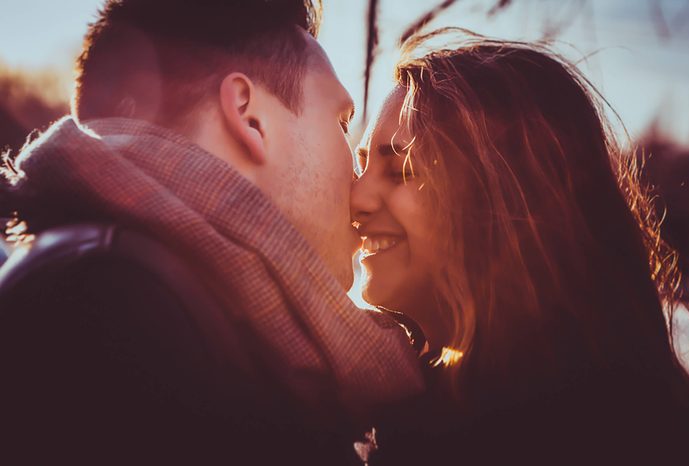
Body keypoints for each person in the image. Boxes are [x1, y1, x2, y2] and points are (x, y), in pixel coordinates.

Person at [0, 1, 422, 463]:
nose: (357, 182)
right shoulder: (112, 308)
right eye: (341, 122)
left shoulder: (146, 283)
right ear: (249, 116)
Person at [351, 31, 689, 464]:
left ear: (504, 197)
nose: (357, 199)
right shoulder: (425, 405)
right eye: (360, 164)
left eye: (402, 169)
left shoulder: (569, 430)